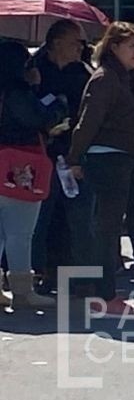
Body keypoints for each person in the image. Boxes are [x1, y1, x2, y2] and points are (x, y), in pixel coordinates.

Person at [68, 21, 134, 314]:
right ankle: (105, 295)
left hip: (117, 159)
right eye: (131, 45)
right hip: (106, 160)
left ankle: (103, 293)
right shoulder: (105, 79)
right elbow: (88, 121)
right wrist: (75, 159)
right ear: (114, 47)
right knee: (106, 229)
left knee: (107, 228)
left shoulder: (121, 77)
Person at [29, 19, 93, 294]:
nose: (81, 47)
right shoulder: (34, 70)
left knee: (76, 220)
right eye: (74, 42)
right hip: (39, 153)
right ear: (56, 43)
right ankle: (38, 274)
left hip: (72, 156)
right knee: (41, 219)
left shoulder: (82, 73)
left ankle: (76, 278)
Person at [0, 40, 66, 309]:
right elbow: (40, 118)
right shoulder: (16, 91)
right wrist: (55, 101)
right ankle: (22, 291)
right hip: (21, 164)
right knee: (20, 232)